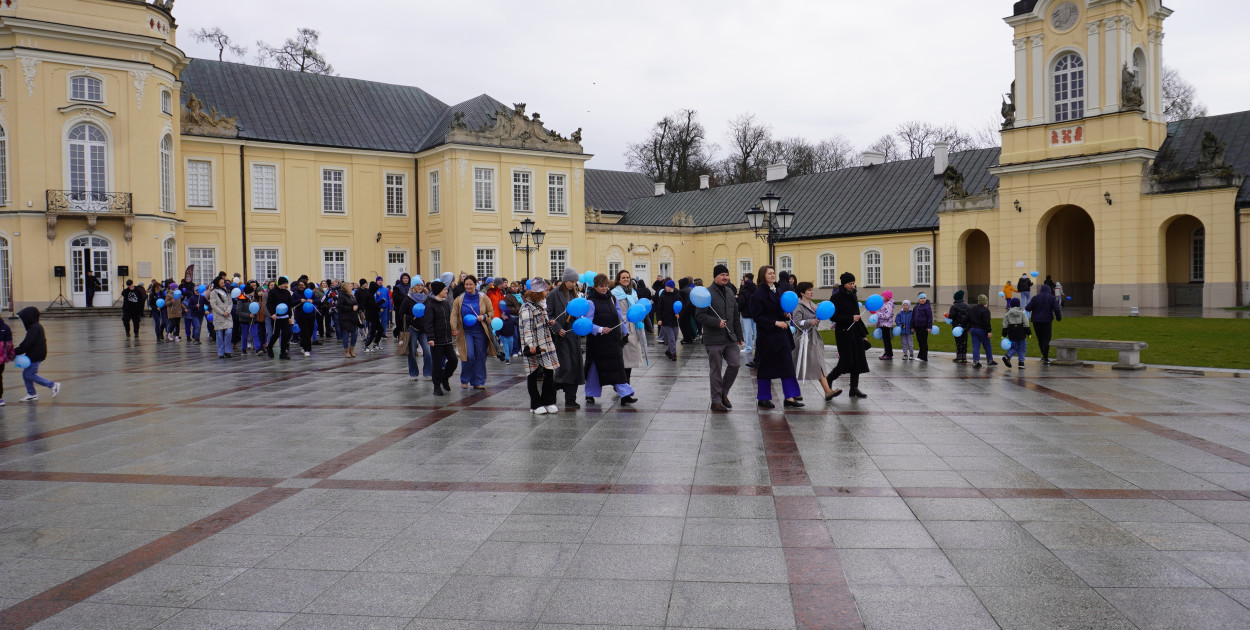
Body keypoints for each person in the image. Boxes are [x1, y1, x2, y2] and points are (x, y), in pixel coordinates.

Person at [750, 266, 802, 408]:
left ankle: (790, 397)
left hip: (780, 335)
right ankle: (763, 397)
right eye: (769, 273)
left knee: (787, 364)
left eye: (773, 273)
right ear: (763, 275)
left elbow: (778, 309)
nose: (773, 275)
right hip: (767, 336)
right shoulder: (758, 294)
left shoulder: (778, 290)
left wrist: (784, 314)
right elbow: (757, 317)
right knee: (766, 366)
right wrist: (775, 322)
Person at [697, 264, 744, 413]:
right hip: (713, 338)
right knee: (716, 370)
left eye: (727, 274)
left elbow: (736, 315)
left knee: (735, 364)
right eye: (722, 275)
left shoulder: (730, 292)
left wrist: (739, 336)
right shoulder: (706, 293)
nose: (725, 277)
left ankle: (723, 392)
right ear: (715, 276)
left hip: (730, 337)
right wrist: (716, 322)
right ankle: (716, 401)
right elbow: (700, 315)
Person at [584, 273, 636, 405]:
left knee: (617, 368)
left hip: (613, 340)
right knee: (595, 369)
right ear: (595, 287)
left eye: (606, 286)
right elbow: (587, 323)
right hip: (597, 342)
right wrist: (600, 329)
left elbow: (620, 317)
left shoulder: (612, 298)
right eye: (601, 286)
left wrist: (625, 332)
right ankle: (590, 394)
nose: (604, 288)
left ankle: (625, 394)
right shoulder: (590, 302)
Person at [791, 282, 841, 402]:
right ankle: (794, 392)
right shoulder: (798, 305)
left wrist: (816, 320)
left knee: (818, 364)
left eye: (812, 289)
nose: (812, 292)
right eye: (809, 290)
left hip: (812, 339)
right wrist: (810, 321)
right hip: (802, 340)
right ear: (802, 293)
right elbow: (797, 322)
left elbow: (815, 321)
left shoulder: (813, 304)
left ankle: (827, 391)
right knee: (796, 365)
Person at [519, 277, 560, 414]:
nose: (547, 292)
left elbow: (541, 321)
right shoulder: (527, 308)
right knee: (533, 373)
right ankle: (535, 404)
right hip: (534, 345)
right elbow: (527, 328)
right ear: (538, 292)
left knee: (549, 371)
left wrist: (550, 323)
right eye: (545, 289)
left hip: (545, 342)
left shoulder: (541, 305)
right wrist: (530, 344)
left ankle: (548, 401)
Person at [826, 272, 869, 399]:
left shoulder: (853, 294)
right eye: (850, 283)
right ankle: (829, 378)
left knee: (857, 360)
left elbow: (857, 315)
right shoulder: (836, 297)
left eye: (853, 283)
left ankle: (854, 388)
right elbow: (833, 316)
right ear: (844, 283)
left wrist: (863, 334)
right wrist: (850, 318)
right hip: (844, 332)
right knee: (846, 360)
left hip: (855, 332)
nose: (852, 285)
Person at [548, 268, 586, 408]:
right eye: (571, 281)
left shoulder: (575, 295)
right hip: (561, 338)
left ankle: (571, 400)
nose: (573, 284)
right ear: (565, 281)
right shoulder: (553, 295)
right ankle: (551, 393)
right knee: (565, 368)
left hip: (573, 336)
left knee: (575, 368)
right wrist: (558, 328)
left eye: (575, 282)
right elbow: (549, 315)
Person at [451, 275, 497, 390]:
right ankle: (465, 379)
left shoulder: (483, 297)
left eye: (470, 284)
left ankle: (478, 381)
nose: (468, 287)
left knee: (480, 356)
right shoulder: (460, 299)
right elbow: (454, 314)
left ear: (475, 284)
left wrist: (484, 316)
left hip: (481, 331)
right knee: (469, 355)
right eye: (466, 284)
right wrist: (453, 327)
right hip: (466, 331)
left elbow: (491, 312)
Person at [14, 307, 60, 402]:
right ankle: (32, 394)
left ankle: (52, 385)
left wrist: (15, 351)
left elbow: (27, 343)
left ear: (29, 318)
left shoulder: (34, 328)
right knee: (25, 374)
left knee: (30, 374)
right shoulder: (36, 326)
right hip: (34, 355)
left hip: (35, 356)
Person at [422, 280, 457, 396]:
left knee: (453, 360)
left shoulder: (445, 304)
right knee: (437, 364)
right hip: (436, 340)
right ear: (438, 291)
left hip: (446, 339)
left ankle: (445, 377)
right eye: (444, 289)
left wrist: (452, 330)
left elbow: (447, 320)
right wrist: (430, 338)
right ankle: (436, 386)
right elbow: (428, 323)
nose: (446, 290)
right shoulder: (430, 305)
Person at [611, 270, 646, 384]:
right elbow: (613, 311)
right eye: (623, 277)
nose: (626, 279)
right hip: (622, 325)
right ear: (618, 279)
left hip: (634, 326)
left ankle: (627, 381)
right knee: (623, 357)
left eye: (627, 277)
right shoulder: (614, 293)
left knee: (630, 358)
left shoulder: (633, 292)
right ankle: (622, 383)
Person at [1026, 283, 1063, 364]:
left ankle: (1044, 355)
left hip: (1036, 321)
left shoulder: (1035, 298)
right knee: (1046, 338)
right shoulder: (1051, 298)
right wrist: (1058, 318)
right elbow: (1056, 309)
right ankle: (1045, 356)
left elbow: (1027, 308)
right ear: (1049, 290)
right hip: (1046, 321)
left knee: (1040, 339)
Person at [265, 276, 294, 360]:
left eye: (286, 284)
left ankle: (283, 353)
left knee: (285, 334)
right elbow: (269, 304)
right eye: (284, 284)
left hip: (285, 316)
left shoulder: (287, 293)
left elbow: (289, 305)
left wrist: (289, 316)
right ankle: (269, 347)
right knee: (276, 334)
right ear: (280, 284)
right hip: (276, 317)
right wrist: (272, 313)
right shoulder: (273, 292)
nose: (286, 285)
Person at [969, 294, 997, 368]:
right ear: (985, 302)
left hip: (973, 329)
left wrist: (968, 328)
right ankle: (990, 360)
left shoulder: (972, 309)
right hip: (981, 330)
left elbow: (968, 319)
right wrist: (989, 331)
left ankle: (976, 361)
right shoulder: (986, 311)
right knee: (987, 345)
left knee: (975, 346)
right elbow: (986, 322)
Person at [1001, 297, 1030, 369]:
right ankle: (1021, 362)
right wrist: (1029, 333)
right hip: (1021, 333)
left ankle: (1007, 356)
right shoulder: (1022, 313)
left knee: (1014, 347)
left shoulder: (1007, 314)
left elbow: (1005, 325)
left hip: (1012, 333)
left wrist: (1004, 334)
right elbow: (1026, 324)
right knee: (1022, 348)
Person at [209, 277, 234, 358]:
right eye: (221, 283)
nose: (223, 284)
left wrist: (227, 311)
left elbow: (230, 302)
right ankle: (220, 352)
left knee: (229, 332)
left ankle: (228, 351)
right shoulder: (213, 292)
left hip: (228, 315)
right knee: (219, 335)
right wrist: (222, 312)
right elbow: (213, 305)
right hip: (219, 316)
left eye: (223, 283)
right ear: (217, 284)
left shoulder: (227, 291)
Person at [656, 279, 679, 361]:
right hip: (666, 321)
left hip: (675, 321)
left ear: (671, 287)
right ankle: (673, 354)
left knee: (675, 338)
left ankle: (668, 351)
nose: (665, 287)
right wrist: (659, 319)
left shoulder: (677, 296)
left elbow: (681, 307)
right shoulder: (663, 296)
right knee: (671, 338)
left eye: (666, 286)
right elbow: (659, 309)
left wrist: (679, 314)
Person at [337, 282, 360, 358]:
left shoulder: (352, 295)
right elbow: (340, 307)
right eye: (350, 286)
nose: (351, 287)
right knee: (346, 335)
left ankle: (352, 349)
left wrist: (357, 306)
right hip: (345, 318)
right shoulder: (341, 296)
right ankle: (346, 351)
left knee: (355, 334)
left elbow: (356, 303)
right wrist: (351, 308)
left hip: (353, 317)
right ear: (346, 287)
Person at [738, 272, 757, 358]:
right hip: (755, 313)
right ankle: (757, 346)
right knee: (756, 330)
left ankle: (748, 347)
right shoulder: (756, 288)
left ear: (746, 278)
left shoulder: (744, 289)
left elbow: (741, 302)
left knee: (747, 331)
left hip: (746, 313)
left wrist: (739, 309)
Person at [949, 290, 971, 363]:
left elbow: (951, 316)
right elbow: (970, 317)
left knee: (958, 342)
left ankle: (959, 357)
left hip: (956, 327)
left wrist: (947, 315)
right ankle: (964, 356)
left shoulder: (954, 306)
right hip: (965, 327)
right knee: (964, 341)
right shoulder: (967, 306)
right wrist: (969, 327)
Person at [911, 293, 933, 362]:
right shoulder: (916, 307)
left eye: (924, 298)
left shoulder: (927, 307)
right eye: (921, 298)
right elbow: (913, 318)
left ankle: (924, 357)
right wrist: (912, 327)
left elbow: (930, 317)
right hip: (917, 327)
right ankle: (920, 355)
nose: (922, 299)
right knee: (919, 341)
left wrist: (929, 327)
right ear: (918, 299)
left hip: (924, 327)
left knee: (923, 342)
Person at [875, 290, 895, 360]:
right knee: (884, 340)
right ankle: (886, 352)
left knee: (887, 340)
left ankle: (889, 354)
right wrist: (878, 323)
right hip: (882, 324)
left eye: (882, 296)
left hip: (887, 325)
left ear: (886, 297)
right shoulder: (883, 303)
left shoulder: (889, 305)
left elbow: (887, 316)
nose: (881, 297)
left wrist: (877, 314)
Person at [677, 277, 695, 345]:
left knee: (683, 325)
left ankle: (687, 339)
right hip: (689, 309)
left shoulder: (682, 291)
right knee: (688, 325)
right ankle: (690, 337)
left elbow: (681, 302)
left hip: (683, 310)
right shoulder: (690, 289)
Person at [0, 317, 11, 406]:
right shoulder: (5, 327)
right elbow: (9, 344)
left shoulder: (5, 328)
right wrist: (11, 355)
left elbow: (8, 344)